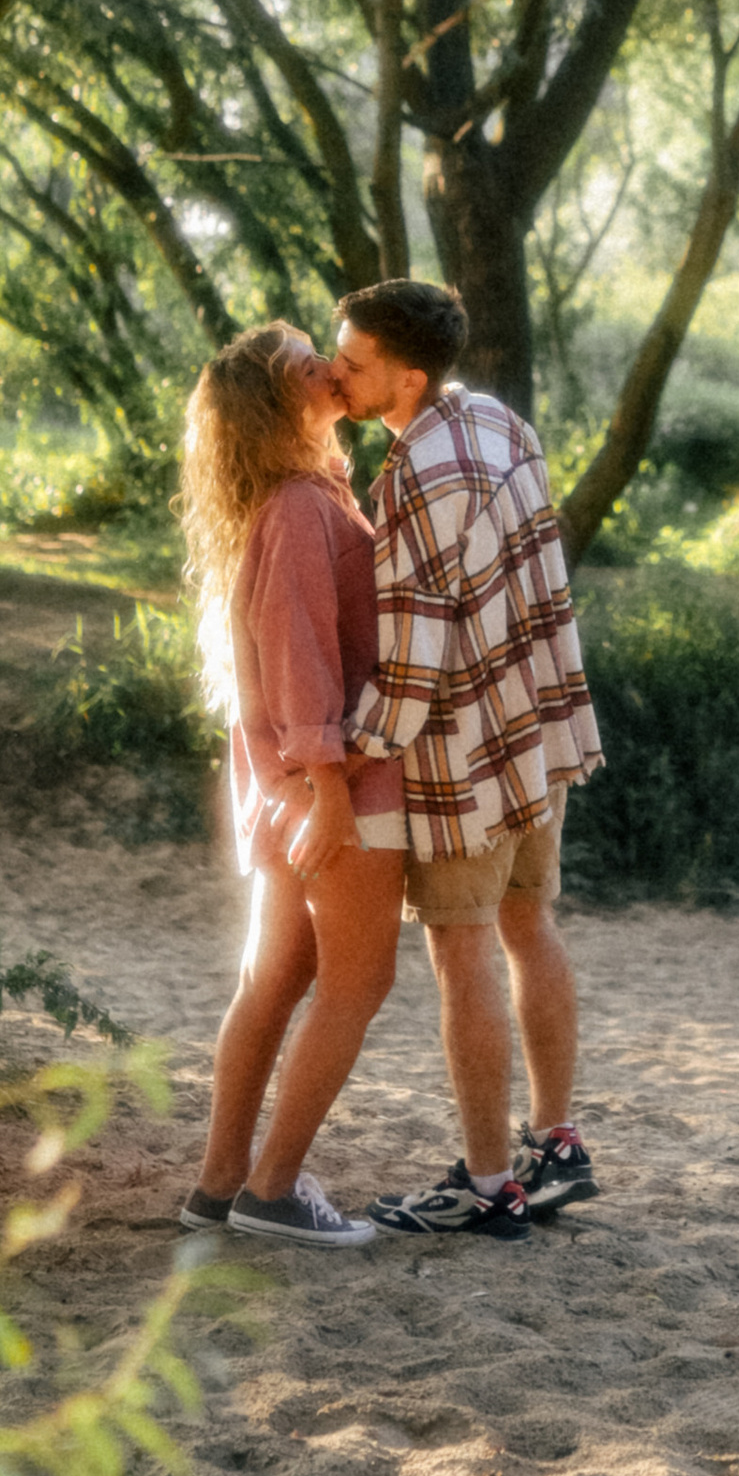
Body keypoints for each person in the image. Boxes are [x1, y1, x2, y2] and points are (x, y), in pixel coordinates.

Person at [328, 278, 604, 1242]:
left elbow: (412, 660)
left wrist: (346, 749)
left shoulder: (413, 477)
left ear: (406, 375)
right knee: (530, 923)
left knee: (462, 949)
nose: (337, 375)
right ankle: (556, 1146)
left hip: (464, 750)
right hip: (539, 727)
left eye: (353, 364)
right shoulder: (494, 418)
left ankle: (489, 1185)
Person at [177, 321, 407, 1246]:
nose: (326, 368)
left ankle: (219, 1185)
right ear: (280, 403)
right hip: (333, 788)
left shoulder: (293, 501)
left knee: (274, 981)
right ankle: (272, 1192)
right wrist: (331, 795)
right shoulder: (304, 511)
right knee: (358, 983)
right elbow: (305, 660)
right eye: (303, 365)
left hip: (288, 786)